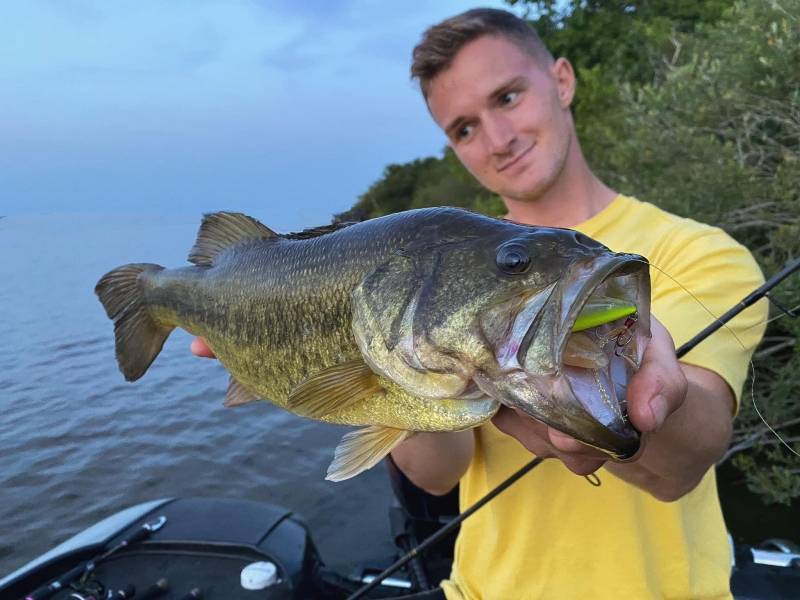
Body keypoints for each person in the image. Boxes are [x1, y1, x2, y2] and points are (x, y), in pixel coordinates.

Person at [194, 8, 768, 599]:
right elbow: (440, 476)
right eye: (464, 128)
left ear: (563, 81)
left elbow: (682, 466)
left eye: (509, 97)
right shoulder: (436, 267)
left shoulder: (705, 254)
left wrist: (635, 402)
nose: (498, 139)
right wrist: (382, 363)